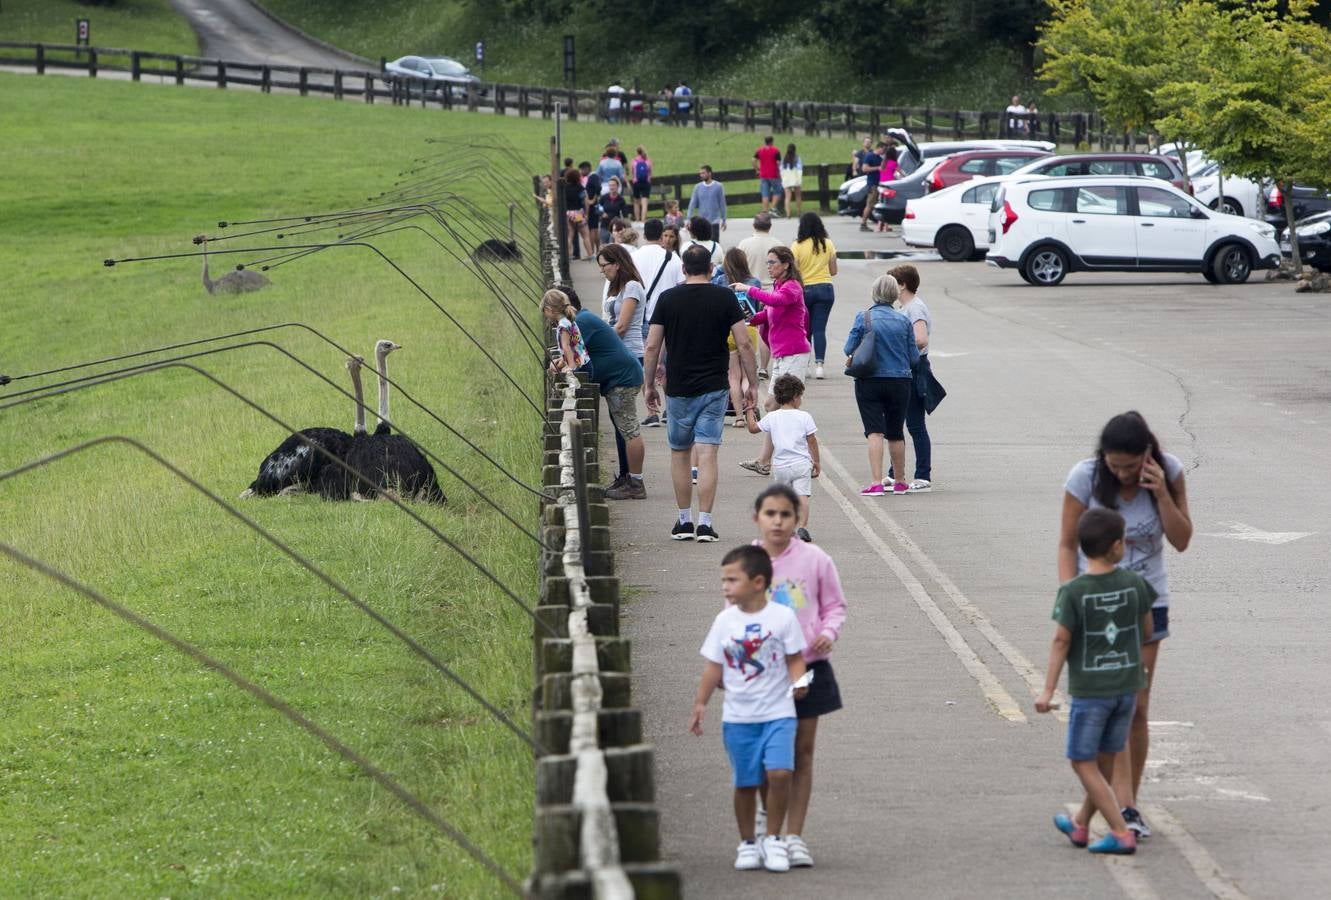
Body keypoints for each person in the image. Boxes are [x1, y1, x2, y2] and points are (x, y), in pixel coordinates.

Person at [1058, 411, 1192, 839]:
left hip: (1145, 601)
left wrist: (1163, 496)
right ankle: (1101, 808)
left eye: (1130, 467)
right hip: (1097, 605)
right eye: (1115, 466)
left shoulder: (1168, 471)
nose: (1122, 474)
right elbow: (1066, 544)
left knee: (1136, 707)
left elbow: (1183, 539)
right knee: (1105, 706)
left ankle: (1127, 806)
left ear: (1147, 457)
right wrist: (1071, 598)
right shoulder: (1084, 477)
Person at [1036, 507, 1155, 856]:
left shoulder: (1074, 591)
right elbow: (1147, 629)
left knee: (1081, 761)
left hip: (1092, 693)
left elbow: (1061, 641)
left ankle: (1120, 832)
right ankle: (1081, 825)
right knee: (1103, 758)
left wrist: (1047, 689)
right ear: (1117, 546)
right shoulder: (1136, 584)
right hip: (1127, 689)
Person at [689, 545, 808, 872]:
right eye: (723, 580)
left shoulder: (782, 617)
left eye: (732, 579)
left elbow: (795, 658)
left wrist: (799, 682)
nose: (725, 586)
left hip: (778, 713)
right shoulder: (724, 621)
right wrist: (701, 703)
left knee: (781, 773)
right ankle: (747, 843)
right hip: (739, 718)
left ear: (758, 582)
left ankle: (773, 838)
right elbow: (714, 666)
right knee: (745, 783)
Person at [749, 483, 846, 866]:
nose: (777, 522)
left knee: (801, 754)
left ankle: (793, 836)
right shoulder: (748, 562)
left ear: (797, 518)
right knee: (765, 757)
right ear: (757, 518)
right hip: (763, 672)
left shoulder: (816, 559)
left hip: (810, 667)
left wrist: (826, 633)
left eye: (785, 514)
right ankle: (765, 821)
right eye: (770, 514)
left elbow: (835, 606)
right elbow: (735, 612)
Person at [644, 244, 758, 542]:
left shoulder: (668, 299)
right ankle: (705, 523)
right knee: (707, 453)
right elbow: (744, 344)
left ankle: (684, 521)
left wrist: (648, 386)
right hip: (714, 386)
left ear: (683, 269)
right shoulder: (725, 297)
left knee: (680, 454)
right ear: (711, 269)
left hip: (679, 387)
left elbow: (653, 345)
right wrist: (753, 383)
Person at [558, 283, 648, 501]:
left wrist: (559, 365)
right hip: (619, 379)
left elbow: (573, 357)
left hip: (622, 380)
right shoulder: (581, 321)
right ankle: (627, 477)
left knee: (629, 429)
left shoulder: (581, 322)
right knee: (622, 430)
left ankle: (636, 483)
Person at [844, 274, 919, 496]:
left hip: (869, 380)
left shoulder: (864, 317)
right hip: (900, 382)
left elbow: (848, 347)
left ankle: (876, 482)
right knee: (896, 432)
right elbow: (914, 358)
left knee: (875, 432)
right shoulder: (904, 320)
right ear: (895, 294)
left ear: (874, 293)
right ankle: (900, 481)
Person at [744, 377, 819, 540]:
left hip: (780, 466)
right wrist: (816, 461)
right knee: (803, 496)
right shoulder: (805, 416)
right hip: (801, 464)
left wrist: (749, 410)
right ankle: (803, 528)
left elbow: (752, 428)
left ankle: (785, 528)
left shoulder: (773, 417)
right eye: (800, 396)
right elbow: (812, 440)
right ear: (795, 397)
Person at [885, 264, 932, 492]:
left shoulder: (915, 308)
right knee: (899, 422)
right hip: (905, 368)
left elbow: (921, 339)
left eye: (892, 283)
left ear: (902, 285)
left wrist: (897, 348)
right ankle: (895, 473)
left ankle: (923, 475)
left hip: (914, 368)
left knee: (915, 424)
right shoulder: (906, 307)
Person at [714, 248, 761, 429]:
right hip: (748, 329)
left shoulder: (720, 281)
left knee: (732, 376)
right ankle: (750, 413)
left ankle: (739, 417)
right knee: (747, 375)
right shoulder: (753, 281)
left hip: (727, 331)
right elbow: (756, 308)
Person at [792, 213, 837, 380]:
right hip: (825, 289)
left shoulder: (796, 246)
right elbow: (833, 271)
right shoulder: (828, 244)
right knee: (819, 329)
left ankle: (805, 366)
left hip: (805, 290)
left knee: (805, 330)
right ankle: (820, 366)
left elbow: (795, 272)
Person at [542, 288, 591, 373]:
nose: (547, 317)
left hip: (579, 366)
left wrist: (570, 367)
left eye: (545, 312)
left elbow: (566, 346)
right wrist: (562, 361)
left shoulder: (562, 326)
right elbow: (573, 347)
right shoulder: (568, 321)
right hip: (584, 363)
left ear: (550, 310)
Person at [737, 213, 784, 289]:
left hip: (750, 289)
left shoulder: (743, 244)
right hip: (772, 290)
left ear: (754, 225)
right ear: (770, 226)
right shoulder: (779, 245)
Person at [561, 168, 593, 263]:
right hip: (578, 213)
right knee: (585, 235)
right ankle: (590, 254)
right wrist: (586, 213)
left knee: (570, 235)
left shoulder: (564, 188)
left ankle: (569, 256)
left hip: (568, 213)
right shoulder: (580, 188)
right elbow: (586, 201)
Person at [686, 165, 727, 233]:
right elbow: (692, 204)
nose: (701, 175)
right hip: (702, 222)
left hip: (714, 222)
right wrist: (688, 219)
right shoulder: (697, 187)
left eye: (703, 173)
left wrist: (724, 220)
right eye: (700, 173)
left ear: (709, 173)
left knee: (714, 242)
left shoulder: (718, 186)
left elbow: (722, 204)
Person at [754, 136, 784, 216]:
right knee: (778, 191)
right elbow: (778, 163)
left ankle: (765, 211)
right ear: (772, 141)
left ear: (765, 141)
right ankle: (773, 208)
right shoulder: (776, 150)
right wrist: (780, 173)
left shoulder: (759, 150)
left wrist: (757, 169)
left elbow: (753, 160)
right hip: (774, 174)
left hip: (763, 175)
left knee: (765, 194)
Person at [578, 161, 603, 256]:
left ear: (587, 169)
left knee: (592, 229)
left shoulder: (592, 177)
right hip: (593, 206)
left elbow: (598, 188)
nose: (581, 172)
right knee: (595, 228)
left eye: (581, 169)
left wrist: (592, 200)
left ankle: (592, 250)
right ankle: (597, 250)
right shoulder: (592, 177)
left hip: (592, 207)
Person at [858, 141, 883, 231]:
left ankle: (879, 223)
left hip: (877, 184)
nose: (883, 152)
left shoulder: (879, 157)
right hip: (872, 184)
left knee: (873, 204)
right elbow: (864, 168)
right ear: (879, 148)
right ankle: (863, 223)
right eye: (883, 150)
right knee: (870, 204)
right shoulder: (870, 156)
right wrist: (877, 168)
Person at [599, 178, 631, 246]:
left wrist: (628, 227)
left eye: (613, 185)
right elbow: (598, 207)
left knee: (614, 245)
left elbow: (625, 214)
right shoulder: (604, 198)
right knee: (604, 245)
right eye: (610, 185)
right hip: (605, 225)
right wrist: (602, 213)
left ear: (617, 186)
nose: (611, 187)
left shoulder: (621, 199)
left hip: (616, 226)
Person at [631, 146, 653, 222]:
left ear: (637, 152)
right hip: (646, 183)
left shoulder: (634, 161)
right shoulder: (647, 160)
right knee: (644, 203)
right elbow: (650, 172)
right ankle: (643, 220)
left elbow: (632, 172)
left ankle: (637, 219)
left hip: (636, 183)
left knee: (636, 202)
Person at [780, 144, 803, 217]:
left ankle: (788, 214)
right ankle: (799, 212)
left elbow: (781, 169)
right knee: (798, 196)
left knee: (787, 197)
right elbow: (800, 168)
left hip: (787, 179)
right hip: (795, 178)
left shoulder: (784, 158)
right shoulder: (797, 158)